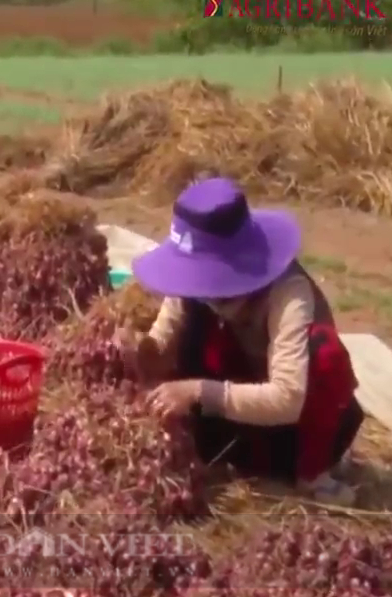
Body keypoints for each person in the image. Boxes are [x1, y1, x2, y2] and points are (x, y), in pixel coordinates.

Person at [116, 177, 363, 506]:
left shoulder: (288, 294)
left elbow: (288, 398)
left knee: (324, 354)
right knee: (192, 330)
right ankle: (225, 449)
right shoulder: (191, 287)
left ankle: (314, 475)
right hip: (233, 410)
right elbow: (163, 345)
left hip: (290, 426)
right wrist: (139, 351)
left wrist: (197, 392)